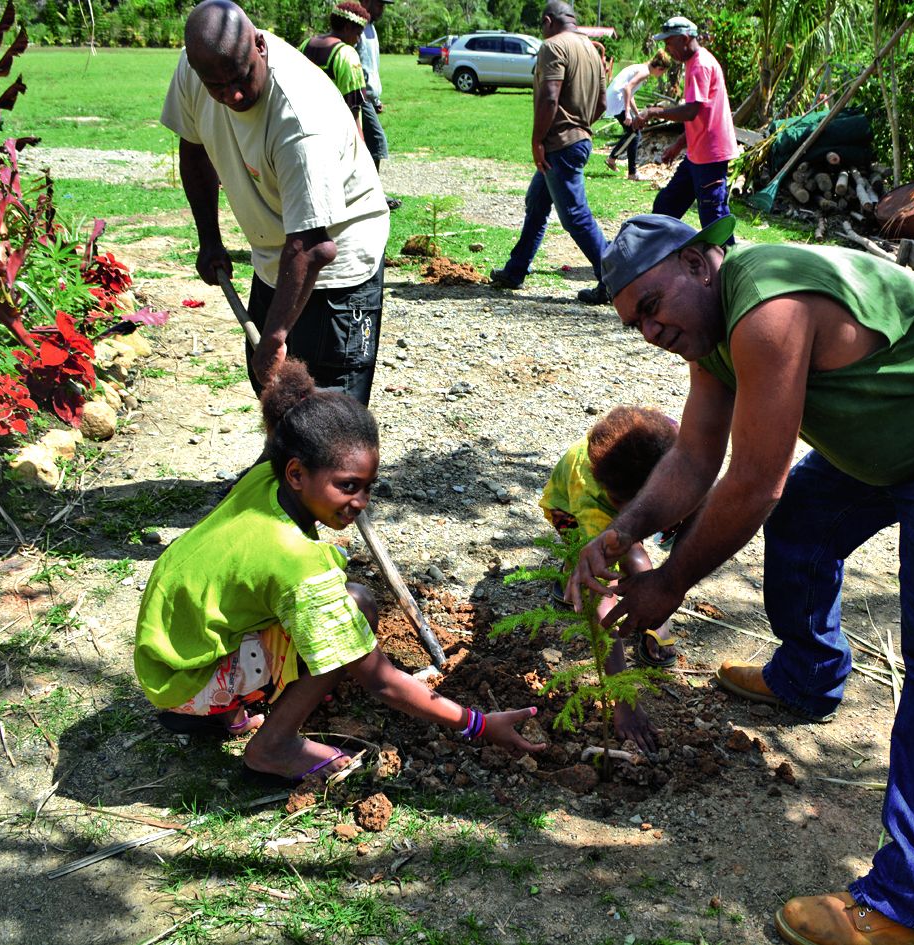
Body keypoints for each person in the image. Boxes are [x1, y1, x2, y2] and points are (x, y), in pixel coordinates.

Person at [570, 214, 914, 944]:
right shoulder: (712, 338)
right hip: (903, 433)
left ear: (698, 263)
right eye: (632, 324)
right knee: (805, 525)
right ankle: (808, 675)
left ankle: (906, 904)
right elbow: (692, 460)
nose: (649, 330)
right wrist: (623, 533)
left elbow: (751, 482)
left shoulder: (765, 307)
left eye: (651, 306)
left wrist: (668, 583)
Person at [136, 359, 545, 784]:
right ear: (296, 472)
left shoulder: (265, 478)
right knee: (354, 607)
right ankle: (273, 746)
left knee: (318, 612)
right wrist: (476, 723)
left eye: (368, 487)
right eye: (347, 485)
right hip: (186, 681)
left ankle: (222, 710)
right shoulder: (297, 563)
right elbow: (381, 681)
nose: (361, 501)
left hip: (167, 652)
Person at [163, 0, 388, 404]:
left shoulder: (300, 121)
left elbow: (316, 245)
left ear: (261, 48)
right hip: (279, 247)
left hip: (338, 258)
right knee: (274, 391)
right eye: (216, 86)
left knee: (332, 405)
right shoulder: (197, 68)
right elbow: (194, 149)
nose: (231, 94)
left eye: (241, 76)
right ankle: (284, 464)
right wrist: (209, 239)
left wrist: (276, 335)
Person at [540, 406, 682, 752]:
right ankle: (572, 570)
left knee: (634, 551)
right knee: (600, 560)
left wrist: (662, 595)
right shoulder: (592, 496)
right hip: (569, 509)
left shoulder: (675, 451)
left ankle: (655, 619)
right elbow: (602, 603)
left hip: (640, 494)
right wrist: (624, 701)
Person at [488, 0, 610, 306]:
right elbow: (603, 105)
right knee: (537, 202)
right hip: (577, 140)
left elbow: (549, 98)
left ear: (547, 21)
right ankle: (515, 270)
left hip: (560, 144)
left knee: (575, 217)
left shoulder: (553, 47)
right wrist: (581, 125)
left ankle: (614, 278)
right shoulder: (593, 50)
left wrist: (537, 140)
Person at [633, 16, 738, 232]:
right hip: (697, 154)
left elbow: (691, 112)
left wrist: (653, 112)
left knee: (713, 218)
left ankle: (727, 262)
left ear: (684, 38)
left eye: (669, 43)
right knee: (666, 205)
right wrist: (678, 145)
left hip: (711, 155)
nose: (667, 49)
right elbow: (700, 117)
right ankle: (660, 254)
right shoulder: (692, 62)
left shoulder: (700, 65)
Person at [301, 1, 372, 134]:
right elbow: (353, 106)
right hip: (335, 131)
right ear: (347, 28)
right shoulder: (346, 54)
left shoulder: (306, 45)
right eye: (358, 33)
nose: (358, 40)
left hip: (304, 126)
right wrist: (359, 141)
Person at [356, 0, 401, 209]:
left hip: (369, 97)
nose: (382, 9)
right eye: (379, 4)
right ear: (366, 2)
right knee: (376, 142)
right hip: (357, 94)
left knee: (369, 145)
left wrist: (376, 99)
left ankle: (370, 194)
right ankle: (371, 197)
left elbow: (371, 65)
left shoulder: (371, 28)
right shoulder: (355, 27)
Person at [604, 52, 669, 180]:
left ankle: (623, 166)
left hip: (616, 99)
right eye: (663, 72)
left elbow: (630, 92)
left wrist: (636, 113)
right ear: (659, 68)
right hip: (617, 99)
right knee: (634, 132)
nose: (661, 75)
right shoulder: (644, 72)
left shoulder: (641, 69)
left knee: (633, 132)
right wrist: (628, 113)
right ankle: (623, 167)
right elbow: (627, 88)